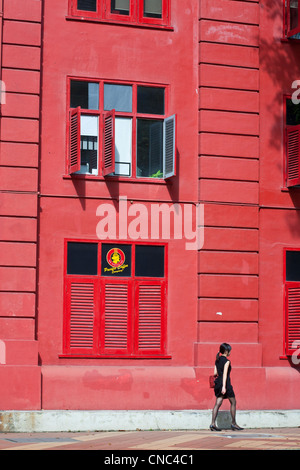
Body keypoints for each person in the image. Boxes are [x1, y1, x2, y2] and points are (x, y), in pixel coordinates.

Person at [210, 343, 243, 431]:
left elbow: (215, 373)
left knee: (217, 403)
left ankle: (212, 424)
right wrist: (224, 387)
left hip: (217, 383)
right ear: (226, 351)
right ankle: (233, 424)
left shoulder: (217, 360)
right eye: (229, 351)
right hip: (225, 384)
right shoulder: (227, 361)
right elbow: (225, 375)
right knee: (233, 402)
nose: (230, 352)